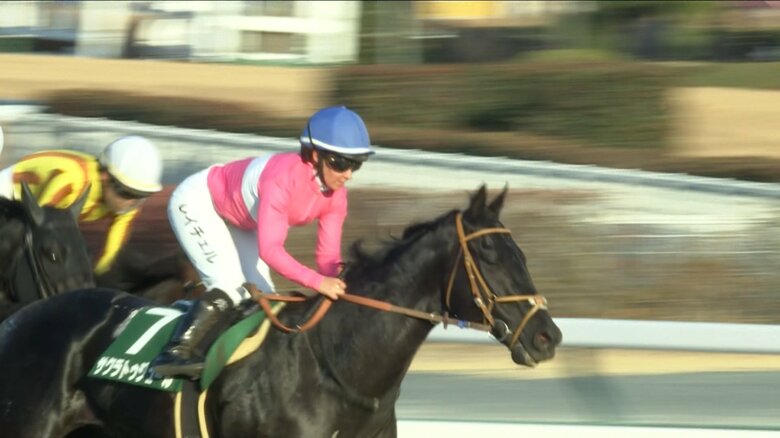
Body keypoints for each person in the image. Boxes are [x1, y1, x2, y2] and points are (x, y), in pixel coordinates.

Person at [152, 105, 374, 379]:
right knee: (228, 286)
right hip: (199, 202)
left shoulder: (336, 197)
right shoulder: (282, 179)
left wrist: (339, 285)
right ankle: (174, 353)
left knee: (262, 297)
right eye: (340, 163)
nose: (348, 174)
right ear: (316, 156)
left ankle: (226, 355)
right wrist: (318, 283)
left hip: (241, 221)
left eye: (356, 164)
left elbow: (327, 258)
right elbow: (270, 251)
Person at [0, 135, 163, 275]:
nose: (131, 203)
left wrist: (96, 277)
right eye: (127, 193)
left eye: (142, 197)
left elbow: (110, 254)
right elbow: (39, 226)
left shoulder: (127, 204)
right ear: (105, 177)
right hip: (9, 190)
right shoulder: (73, 181)